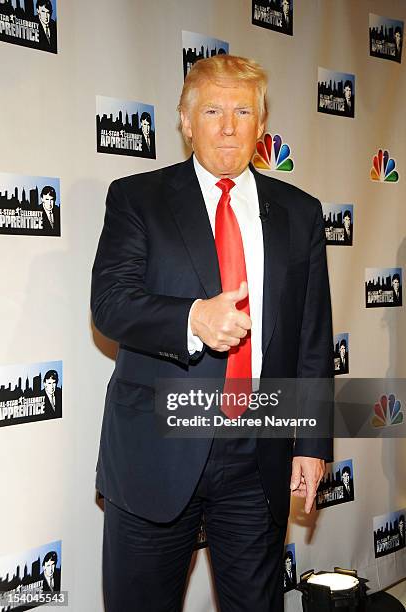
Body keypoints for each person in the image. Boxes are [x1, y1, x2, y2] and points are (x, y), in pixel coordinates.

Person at [91, 54, 333, 612]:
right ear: (184, 120)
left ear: (262, 122)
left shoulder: (300, 212)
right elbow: (110, 304)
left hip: (258, 458)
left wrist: (314, 442)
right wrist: (191, 319)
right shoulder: (137, 198)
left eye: (243, 110)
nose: (228, 125)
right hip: (157, 449)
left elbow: (314, 337)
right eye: (213, 110)